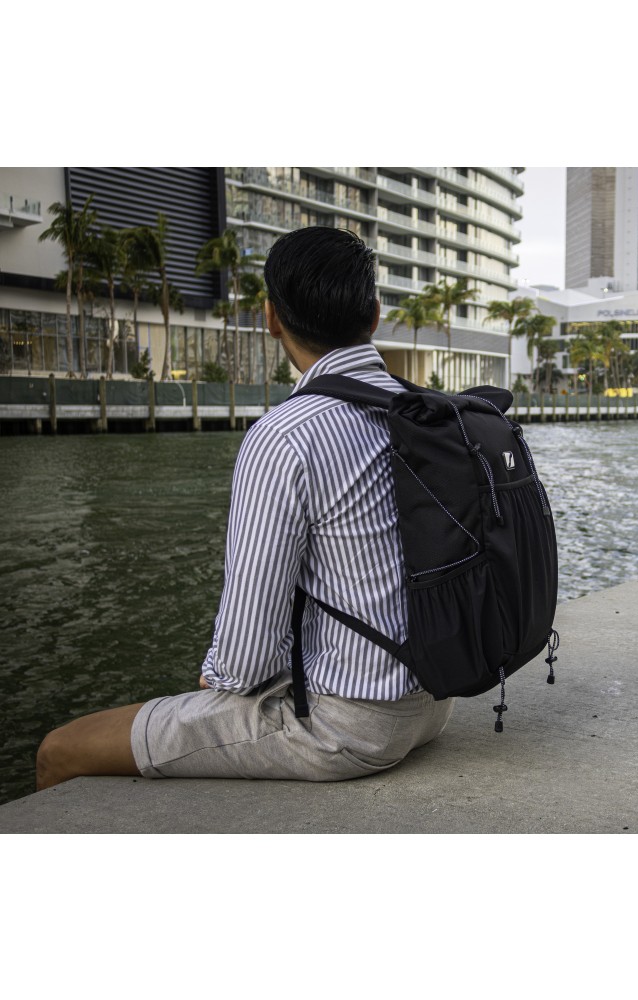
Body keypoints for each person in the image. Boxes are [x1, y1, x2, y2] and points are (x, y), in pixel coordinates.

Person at [35, 226, 454, 791]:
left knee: (60, 750)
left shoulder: (285, 436)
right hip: (434, 702)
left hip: (347, 726)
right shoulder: (423, 412)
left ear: (271, 318)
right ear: (375, 315)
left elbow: (246, 661)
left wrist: (219, 677)